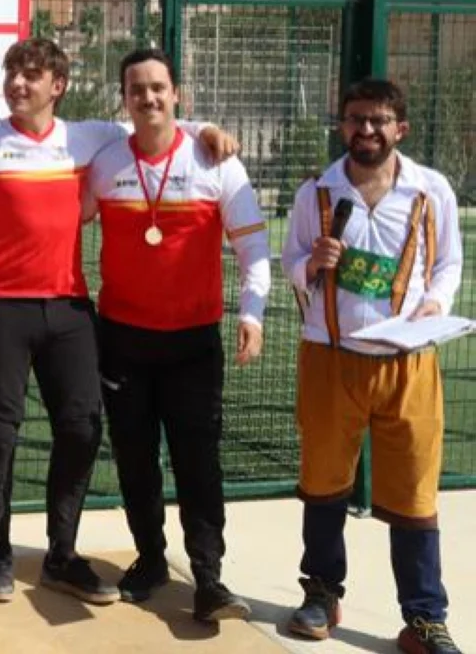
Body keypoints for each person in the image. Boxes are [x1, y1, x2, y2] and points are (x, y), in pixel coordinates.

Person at [0, 38, 233, 604]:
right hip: (0, 309)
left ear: (56, 86)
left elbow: (157, 124)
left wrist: (208, 128)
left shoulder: (89, 138)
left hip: (67, 307)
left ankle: (61, 554)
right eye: (12, 73)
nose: (17, 84)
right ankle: (0, 553)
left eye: (31, 75)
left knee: (83, 428)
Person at [280, 78, 463, 654]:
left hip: (409, 363)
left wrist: (436, 303)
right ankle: (321, 592)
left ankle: (425, 617)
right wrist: (312, 264)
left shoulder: (431, 191)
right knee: (323, 484)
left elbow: (448, 264)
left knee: (414, 493)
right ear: (342, 126)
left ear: (399, 129)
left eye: (378, 121)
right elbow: (290, 262)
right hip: (332, 359)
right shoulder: (317, 193)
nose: (366, 131)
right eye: (356, 120)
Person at [85, 50, 269, 622]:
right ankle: (150, 559)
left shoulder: (214, 160)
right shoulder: (106, 162)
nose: (149, 98)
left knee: (197, 462)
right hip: (123, 338)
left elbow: (253, 247)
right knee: (135, 459)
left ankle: (209, 577)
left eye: (159, 88)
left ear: (177, 93)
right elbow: (66, 220)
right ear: (124, 99)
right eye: (137, 89)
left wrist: (253, 313)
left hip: (193, 342)